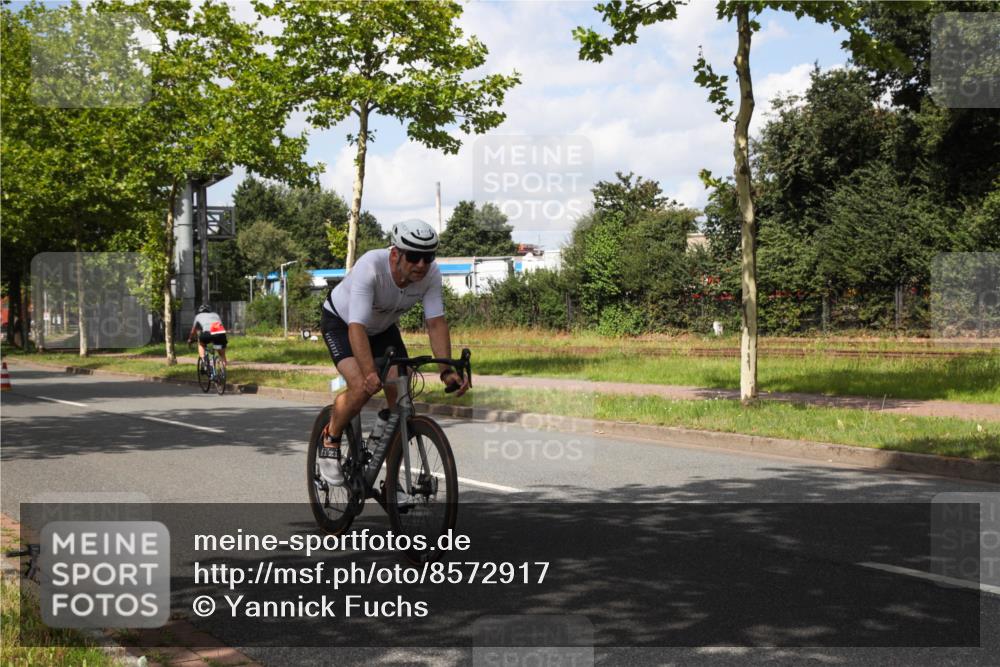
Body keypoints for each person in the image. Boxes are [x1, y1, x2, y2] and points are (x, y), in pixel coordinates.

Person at [319, 220, 470, 486]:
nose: (421, 265)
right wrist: (368, 373)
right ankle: (330, 438)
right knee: (360, 386)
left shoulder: (431, 275)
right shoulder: (371, 267)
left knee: (401, 393)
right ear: (395, 254)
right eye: (413, 256)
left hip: (382, 328)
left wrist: (445, 371)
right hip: (343, 323)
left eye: (428, 257)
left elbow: (435, 322)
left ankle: (391, 482)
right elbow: (357, 327)